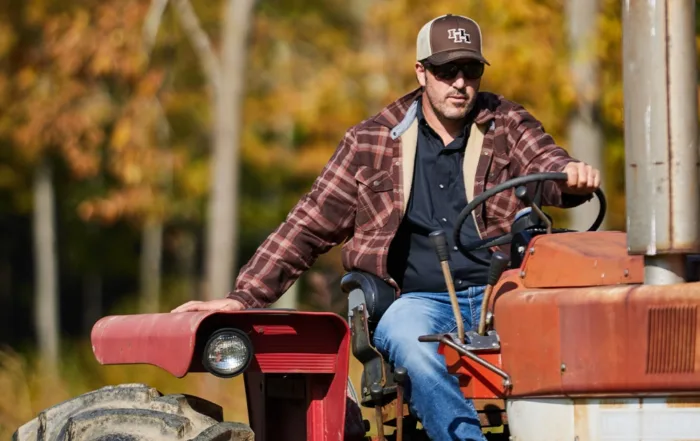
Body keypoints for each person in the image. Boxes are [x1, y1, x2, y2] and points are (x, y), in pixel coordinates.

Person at [172, 13, 600, 441]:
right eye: (446, 70)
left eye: (470, 70)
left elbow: (545, 163)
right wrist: (243, 297)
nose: (460, 83)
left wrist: (570, 176)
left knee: (580, 330)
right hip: (421, 300)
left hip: (505, 293)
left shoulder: (506, 122)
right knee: (407, 337)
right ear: (421, 72)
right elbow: (308, 224)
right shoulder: (371, 141)